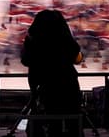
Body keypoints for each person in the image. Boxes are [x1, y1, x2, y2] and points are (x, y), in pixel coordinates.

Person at [21, 9, 84, 137]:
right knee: (73, 122)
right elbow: (77, 59)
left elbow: (25, 61)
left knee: (50, 124)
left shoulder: (32, 40)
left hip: (43, 88)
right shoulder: (65, 39)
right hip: (67, 86)